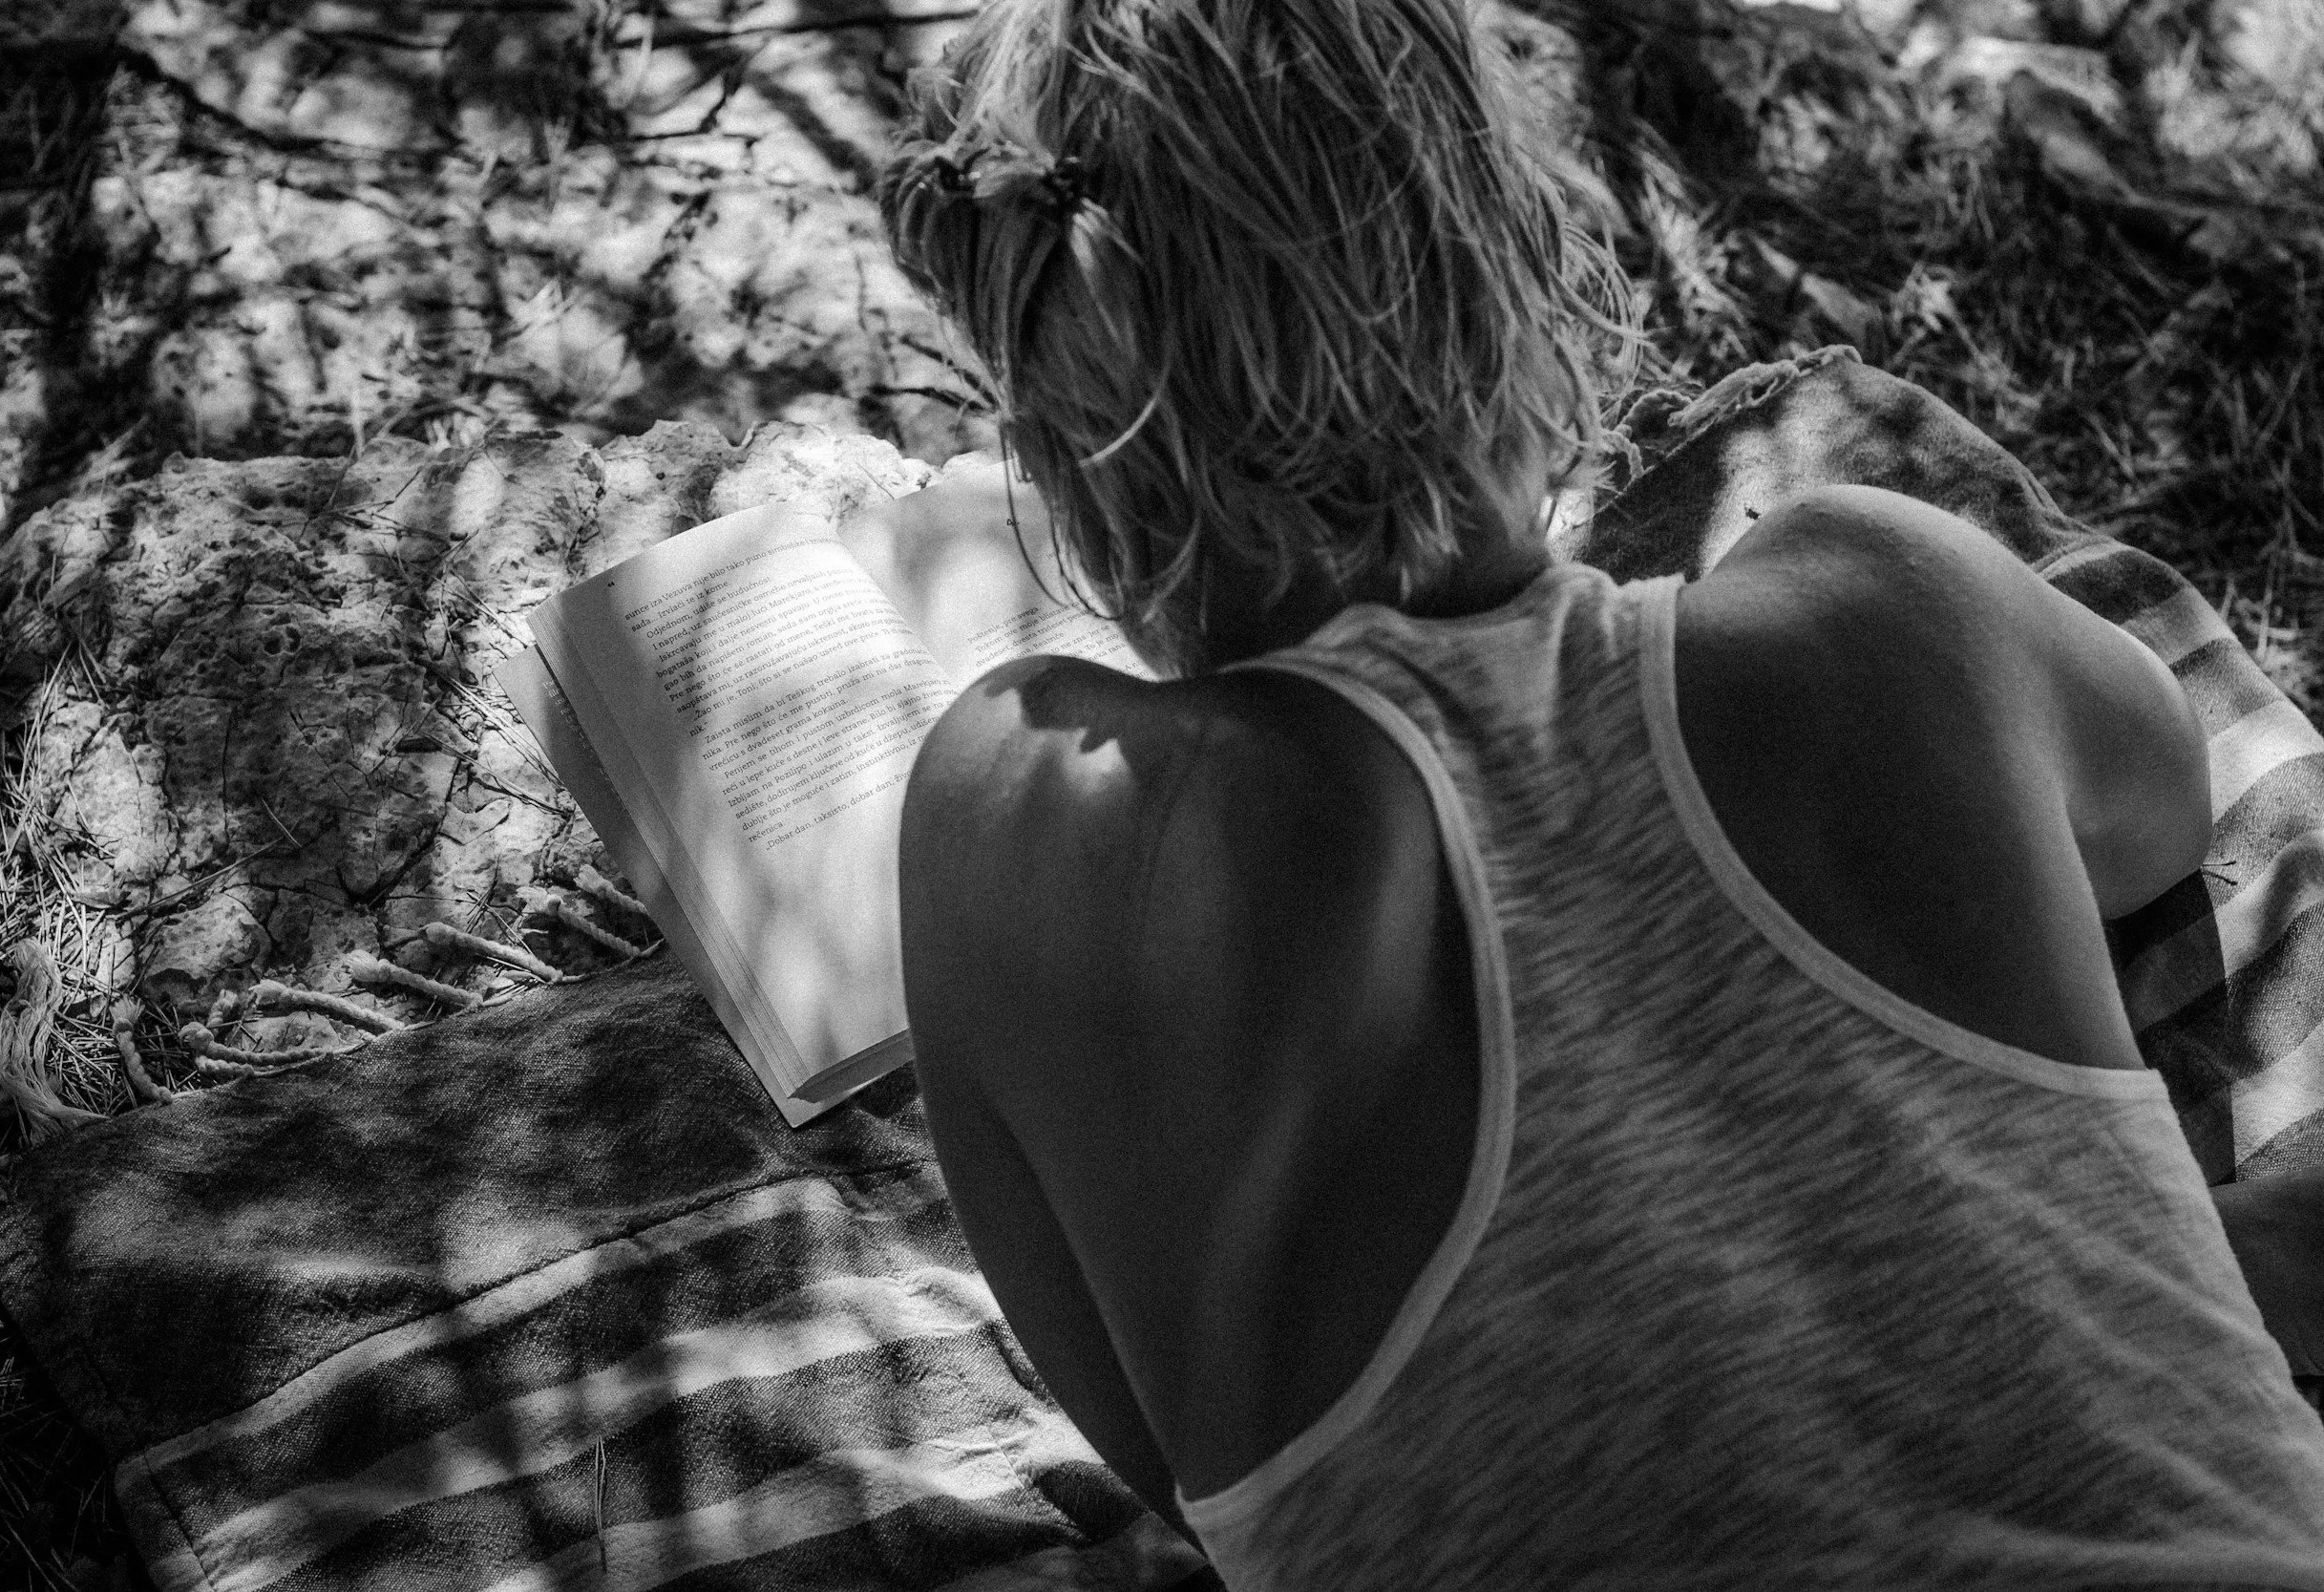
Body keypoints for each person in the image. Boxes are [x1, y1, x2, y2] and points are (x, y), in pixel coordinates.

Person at [877, 1, 2324, 1584]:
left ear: (1068, 429)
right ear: (1527, 251)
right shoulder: (1891, 609)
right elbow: (2166, 805)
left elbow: (1175, 1465)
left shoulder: (1026, 834)